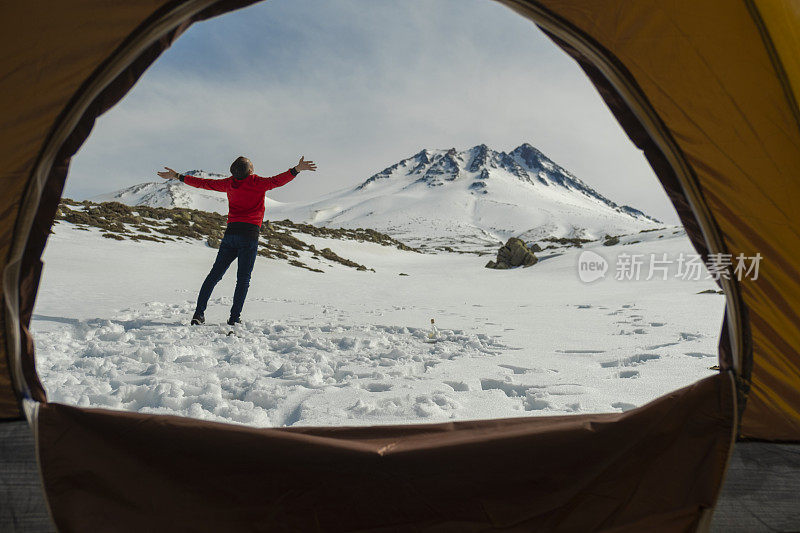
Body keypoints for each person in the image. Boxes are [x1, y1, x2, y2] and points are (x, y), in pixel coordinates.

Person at [157, 156, 317, 325]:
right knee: (243, 279)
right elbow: (278, 181)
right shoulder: (257, 182)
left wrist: (177, 176)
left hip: (231, 235)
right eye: (251, 164)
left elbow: (203, 183)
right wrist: (296, 169)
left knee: (214, 276)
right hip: (249, 236)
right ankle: (234, 318)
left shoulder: (229, 183)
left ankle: (198, 314)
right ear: (249, 171)